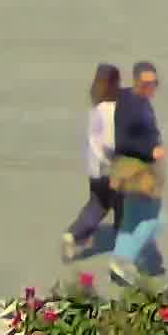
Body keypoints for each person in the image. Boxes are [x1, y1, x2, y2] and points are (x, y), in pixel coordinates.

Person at [106, 60, 168, 279]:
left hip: (140, 169)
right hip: (134, 170)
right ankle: (123, 259)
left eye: (154, 84)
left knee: (133, 218)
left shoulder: (138, 100)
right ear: (135, 81)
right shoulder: (128, 104)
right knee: (156, 220)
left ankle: (123, 260)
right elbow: (121, 141)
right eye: (145, 83)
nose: (150, 88)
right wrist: (150, 150)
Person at [62, 61, 121, 259]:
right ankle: (125, 242)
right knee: (123, 204)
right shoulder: (113, 110)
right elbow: (111, 144)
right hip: (112, 169)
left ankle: (73, 235)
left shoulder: (96, 109)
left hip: (95, 170)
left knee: (97, 205)